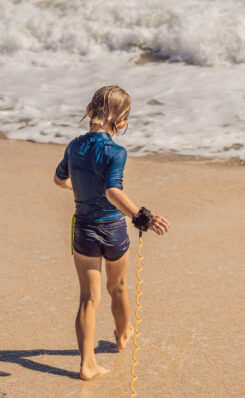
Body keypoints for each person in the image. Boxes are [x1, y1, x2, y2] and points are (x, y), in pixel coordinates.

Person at [54, 85, 170, 381]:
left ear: (89, 111)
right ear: (122, 124)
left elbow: (59, 179)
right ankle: (121, 336)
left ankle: (87, 364)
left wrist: (75, 187)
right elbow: (112, 190)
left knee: (88, 299)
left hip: (85, 231)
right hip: (114, 230)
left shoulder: (74, 146)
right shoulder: (116, 151)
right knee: (117, 288)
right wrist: (142, 217)